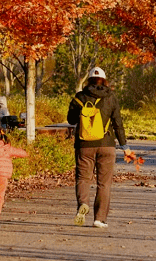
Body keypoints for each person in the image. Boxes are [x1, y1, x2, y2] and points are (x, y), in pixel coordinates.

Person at [67, 66, 130, 229]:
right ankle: (99, 219)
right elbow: (118, 124)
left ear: (89, 80)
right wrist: (125, 146)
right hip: (106, 144)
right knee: (104, 183)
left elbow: (71, 120)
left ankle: (83, 203)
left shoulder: (80, 97)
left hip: (84, 145)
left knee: (83, 178)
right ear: (104, 80)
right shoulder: (111, 97)